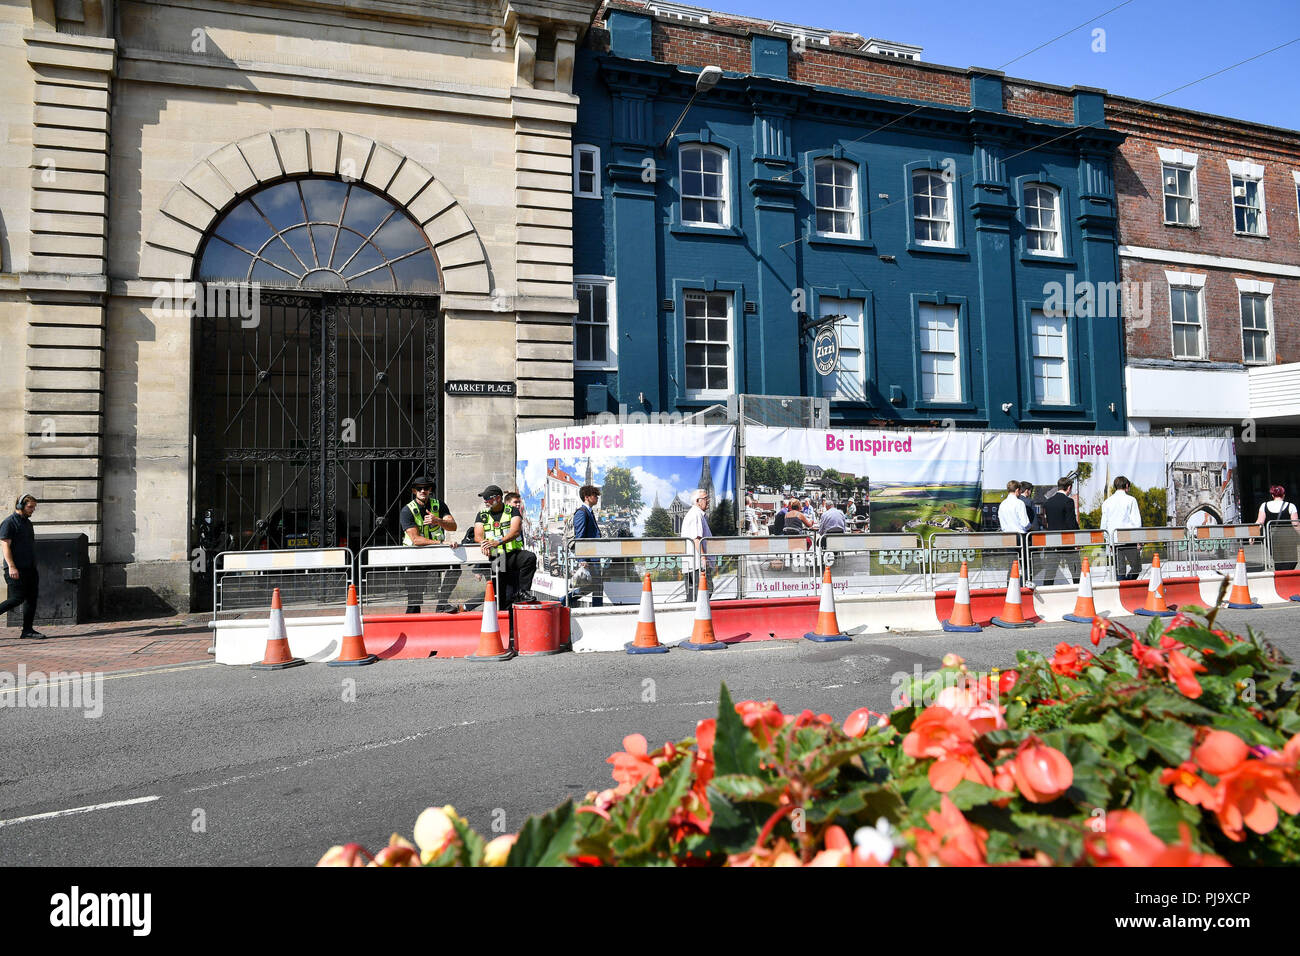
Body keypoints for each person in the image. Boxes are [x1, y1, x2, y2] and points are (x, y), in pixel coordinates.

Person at [399, 475, 460, 614]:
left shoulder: (438, 505)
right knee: (415, 600)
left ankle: (442, 604)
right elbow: (416, 539)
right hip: (414, 556)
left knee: (455, 568)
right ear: (414, 491)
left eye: (426, 488)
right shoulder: (407, 510)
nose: (422, 491)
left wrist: (437, 520)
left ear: (430, 490)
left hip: (435, 553)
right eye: (419, 489)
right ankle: (412, 627)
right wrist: (441, 542)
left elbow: (453, 526)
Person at [475, 484, 536, 608]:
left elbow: (515, 531)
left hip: (512, 554)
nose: (485, 501)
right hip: (497, 557)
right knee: (502, 592)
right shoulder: (482, 514)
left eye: (487, 498)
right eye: (484, 499)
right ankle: (504, 618)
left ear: (497, 498)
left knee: (529, 557)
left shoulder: (512, 511)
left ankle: (523, 591)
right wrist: (484, 543)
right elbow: (478, 535)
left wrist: (499, 541)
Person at [0, 494, 44, 639]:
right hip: (15, 568)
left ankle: (27, 630)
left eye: (34, 507)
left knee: (32, 598)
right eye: (30, 507)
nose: (33, 510)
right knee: (17, 598)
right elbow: (5, 546)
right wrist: (12, 567)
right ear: (20, 506)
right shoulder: (9, 523)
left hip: (30, 568)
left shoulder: (27, 523)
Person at [1040, 476, 1082, 585]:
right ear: (1069, 487)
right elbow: (1071, 522)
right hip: (1067, 541)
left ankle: (1047, 591)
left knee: (1050, 571)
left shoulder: (1048, 502)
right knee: (1075, 569)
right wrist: (1078, 538)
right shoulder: (1068, 501)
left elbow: (1047, 522)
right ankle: (1080, 590)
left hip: (1052, 541)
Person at [566, 484, 603, 607]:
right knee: (595, 585)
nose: (597, 497)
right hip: (589, 557)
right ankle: (561, 601)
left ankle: (597, 609)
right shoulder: (582, 513)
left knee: (596, 585)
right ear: (586, 497)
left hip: (593, 555)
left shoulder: (589, 512)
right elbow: (580, 537)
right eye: (594, 495)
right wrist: (583, 560)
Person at [1101, 476, 1143, 581]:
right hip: (1129, 539)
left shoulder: (1107, 502)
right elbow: (1136, 522)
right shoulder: (1131, 500)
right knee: (1137, 567)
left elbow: (1104, 525)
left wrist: (1108, 542)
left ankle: (1122, 590)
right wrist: (1139, 540)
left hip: (1114, 540)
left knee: (1120, 569)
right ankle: (1128, 584)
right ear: (1127, 485)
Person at [1257, 485, 1300, 571]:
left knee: (1278, 561)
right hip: (1288, 537)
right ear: (1283, 494)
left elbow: (1259, 522)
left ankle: (1281, 578)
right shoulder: (1291, 506)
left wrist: (1252, 535)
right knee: (1292, 561)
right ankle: (1287, 578)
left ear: (1272, 495)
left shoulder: (1264, 505)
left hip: (1272, 537)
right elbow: (1296, 524)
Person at [680, 488, 712, 601]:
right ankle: (699, 617)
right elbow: (696, 539)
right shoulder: (696, 514)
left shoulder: (694, 514)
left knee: (693, 595)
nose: (708, 500)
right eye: (705, 498)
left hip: (691, 563)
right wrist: (704, 558)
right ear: (698, 501)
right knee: (705, 591)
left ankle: (692, 617)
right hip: (697, 563)